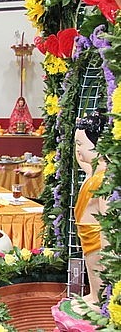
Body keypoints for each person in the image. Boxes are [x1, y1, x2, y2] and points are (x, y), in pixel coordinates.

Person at [73, 111, 108, 311]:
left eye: (81, 145)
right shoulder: (92, 171)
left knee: (97, 268)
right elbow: (82, 160)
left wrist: (106, 243)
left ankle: (99, 298)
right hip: (86, 234)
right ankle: (94, 294)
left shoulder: (105, 180)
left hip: (97, 237)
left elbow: (106, 216)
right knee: (90, 267)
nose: (78, 151)